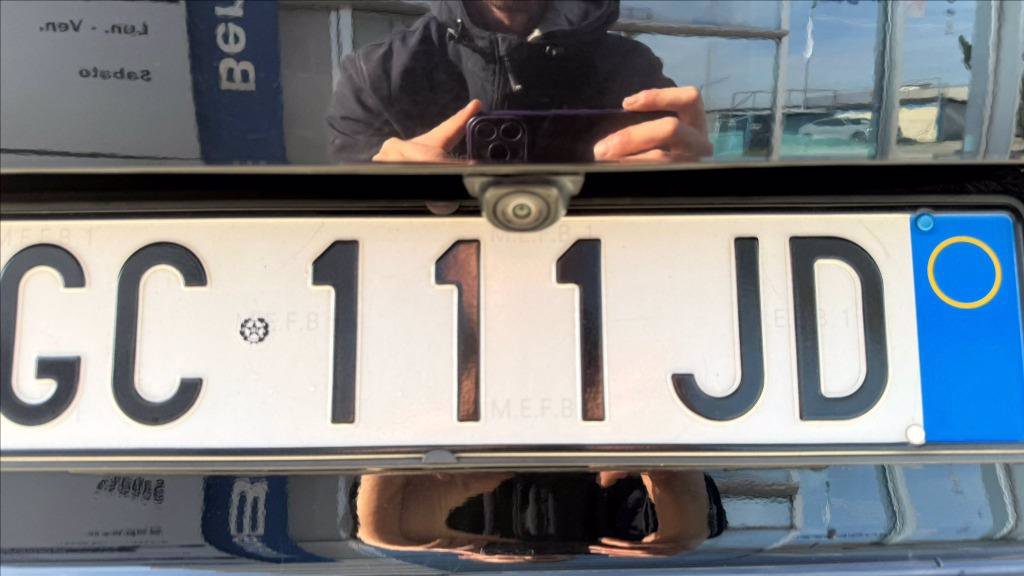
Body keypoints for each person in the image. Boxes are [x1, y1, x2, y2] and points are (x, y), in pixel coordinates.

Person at [327, 0, 713, 163]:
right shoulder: (375, 76)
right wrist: (383, 193)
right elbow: (339, 239)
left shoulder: (634, 73)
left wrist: (688, 185)